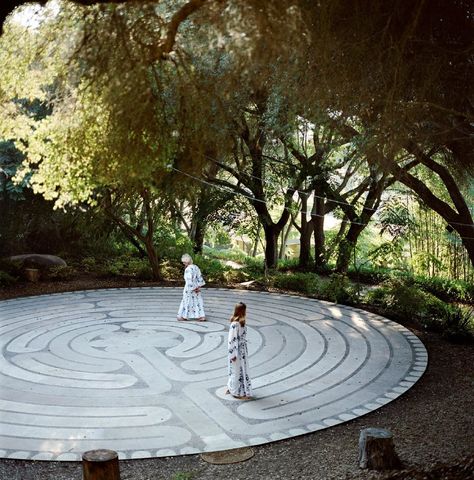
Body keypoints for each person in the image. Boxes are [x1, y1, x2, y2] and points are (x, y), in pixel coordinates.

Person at [226, 302, 252, 399]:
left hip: (241, 350)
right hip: (237, 351)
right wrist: (233, 354)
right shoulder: (235, 324)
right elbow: (232, 340)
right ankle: (235, 390)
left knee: (240, 370)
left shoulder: (240, 322)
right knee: (237, 371)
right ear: (242, 311)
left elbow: (234, 339)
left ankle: (240, 389)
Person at [177, 253, 206, 321]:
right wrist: (198, 287)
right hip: (196, 288)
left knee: (186, 301)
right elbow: (200, 277)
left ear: (187, 261)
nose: (183, 263)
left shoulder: (188, 269)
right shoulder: (196, 267)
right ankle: (201, 316)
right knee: (197, 302)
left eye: (184, 262)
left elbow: (189, 280)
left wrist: (193, 288)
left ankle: (183, 316)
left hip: (189, 289)